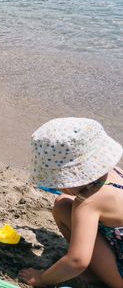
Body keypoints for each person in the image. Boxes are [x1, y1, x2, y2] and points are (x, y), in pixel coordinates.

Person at [19, 117, 123, 287]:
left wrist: (42, 278)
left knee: (64, 208)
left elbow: (77, 261)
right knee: (63, 204)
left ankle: (95, 275)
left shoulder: (88, 203)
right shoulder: (117, 172)